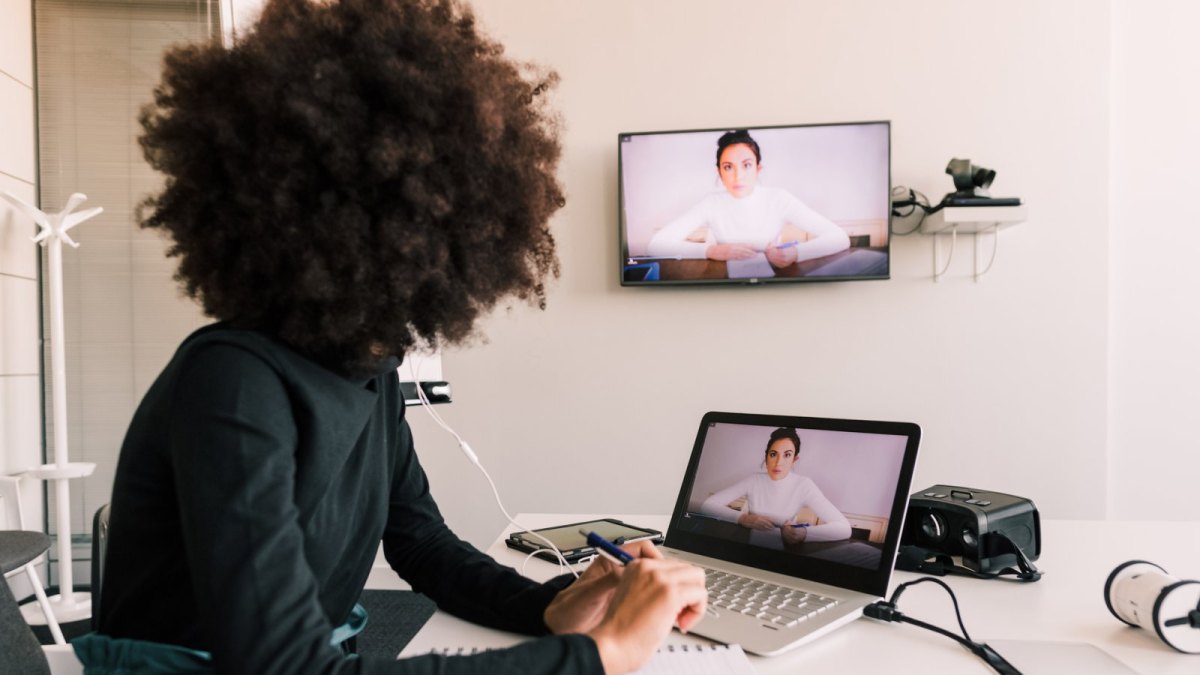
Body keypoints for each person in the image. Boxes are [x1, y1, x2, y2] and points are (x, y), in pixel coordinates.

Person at [77, 0, 707, 673]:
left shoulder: (369, 371)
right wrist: (600, 655)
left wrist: (548, 607)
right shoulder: (233, 380)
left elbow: (421, 541)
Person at [645, 130, 850, 267]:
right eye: (728, 167)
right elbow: (656, 245)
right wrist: (712, 251)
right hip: (723, 285)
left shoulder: (779, 199)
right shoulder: (712, 203)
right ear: (719, 172)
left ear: (758, 169)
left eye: (746, 165)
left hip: (771, 284)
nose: (738, 176)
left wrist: (795, 254)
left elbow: (839, 237)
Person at [698, 428, 851, 547]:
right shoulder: (754, 480)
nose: (778, 463)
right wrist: (743, 518)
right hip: (747, 549)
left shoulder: (804, 485)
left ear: (794, 460)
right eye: (773, 454)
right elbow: (707, 505)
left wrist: (804, 533)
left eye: (787, 455)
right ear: (766, 457)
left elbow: (844, 528)